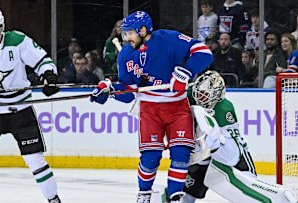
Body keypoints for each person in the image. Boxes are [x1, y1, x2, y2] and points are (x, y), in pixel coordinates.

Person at [90, 11, 213, 202]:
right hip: (149, 109)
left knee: (181, 154)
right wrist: (110, 89)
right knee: (151, 157)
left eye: (130, 33)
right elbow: (129, 92)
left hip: (178, 108)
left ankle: (175, 197)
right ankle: (144, 194)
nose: (127, 38)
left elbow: (203, 52)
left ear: (143, 30)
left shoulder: (168, 39)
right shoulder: (125, 55)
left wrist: (185, 73)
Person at [0, 7, 61, 203]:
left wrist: (49, 75)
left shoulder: (18, 40)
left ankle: (54, 199)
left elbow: (42, 60)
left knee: (36, 159)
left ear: (2, 27)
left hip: (20, 110)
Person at [179, 71, 297, 203]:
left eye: (206, 96)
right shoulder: (187, 93)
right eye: (198, 95)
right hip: (201, 157)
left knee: (248, 192)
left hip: (234, 157)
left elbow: (233, 154)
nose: (201, 100)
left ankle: (279, 198)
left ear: (217, 95)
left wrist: (214, 142)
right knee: (185, 195)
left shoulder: (224, 109)